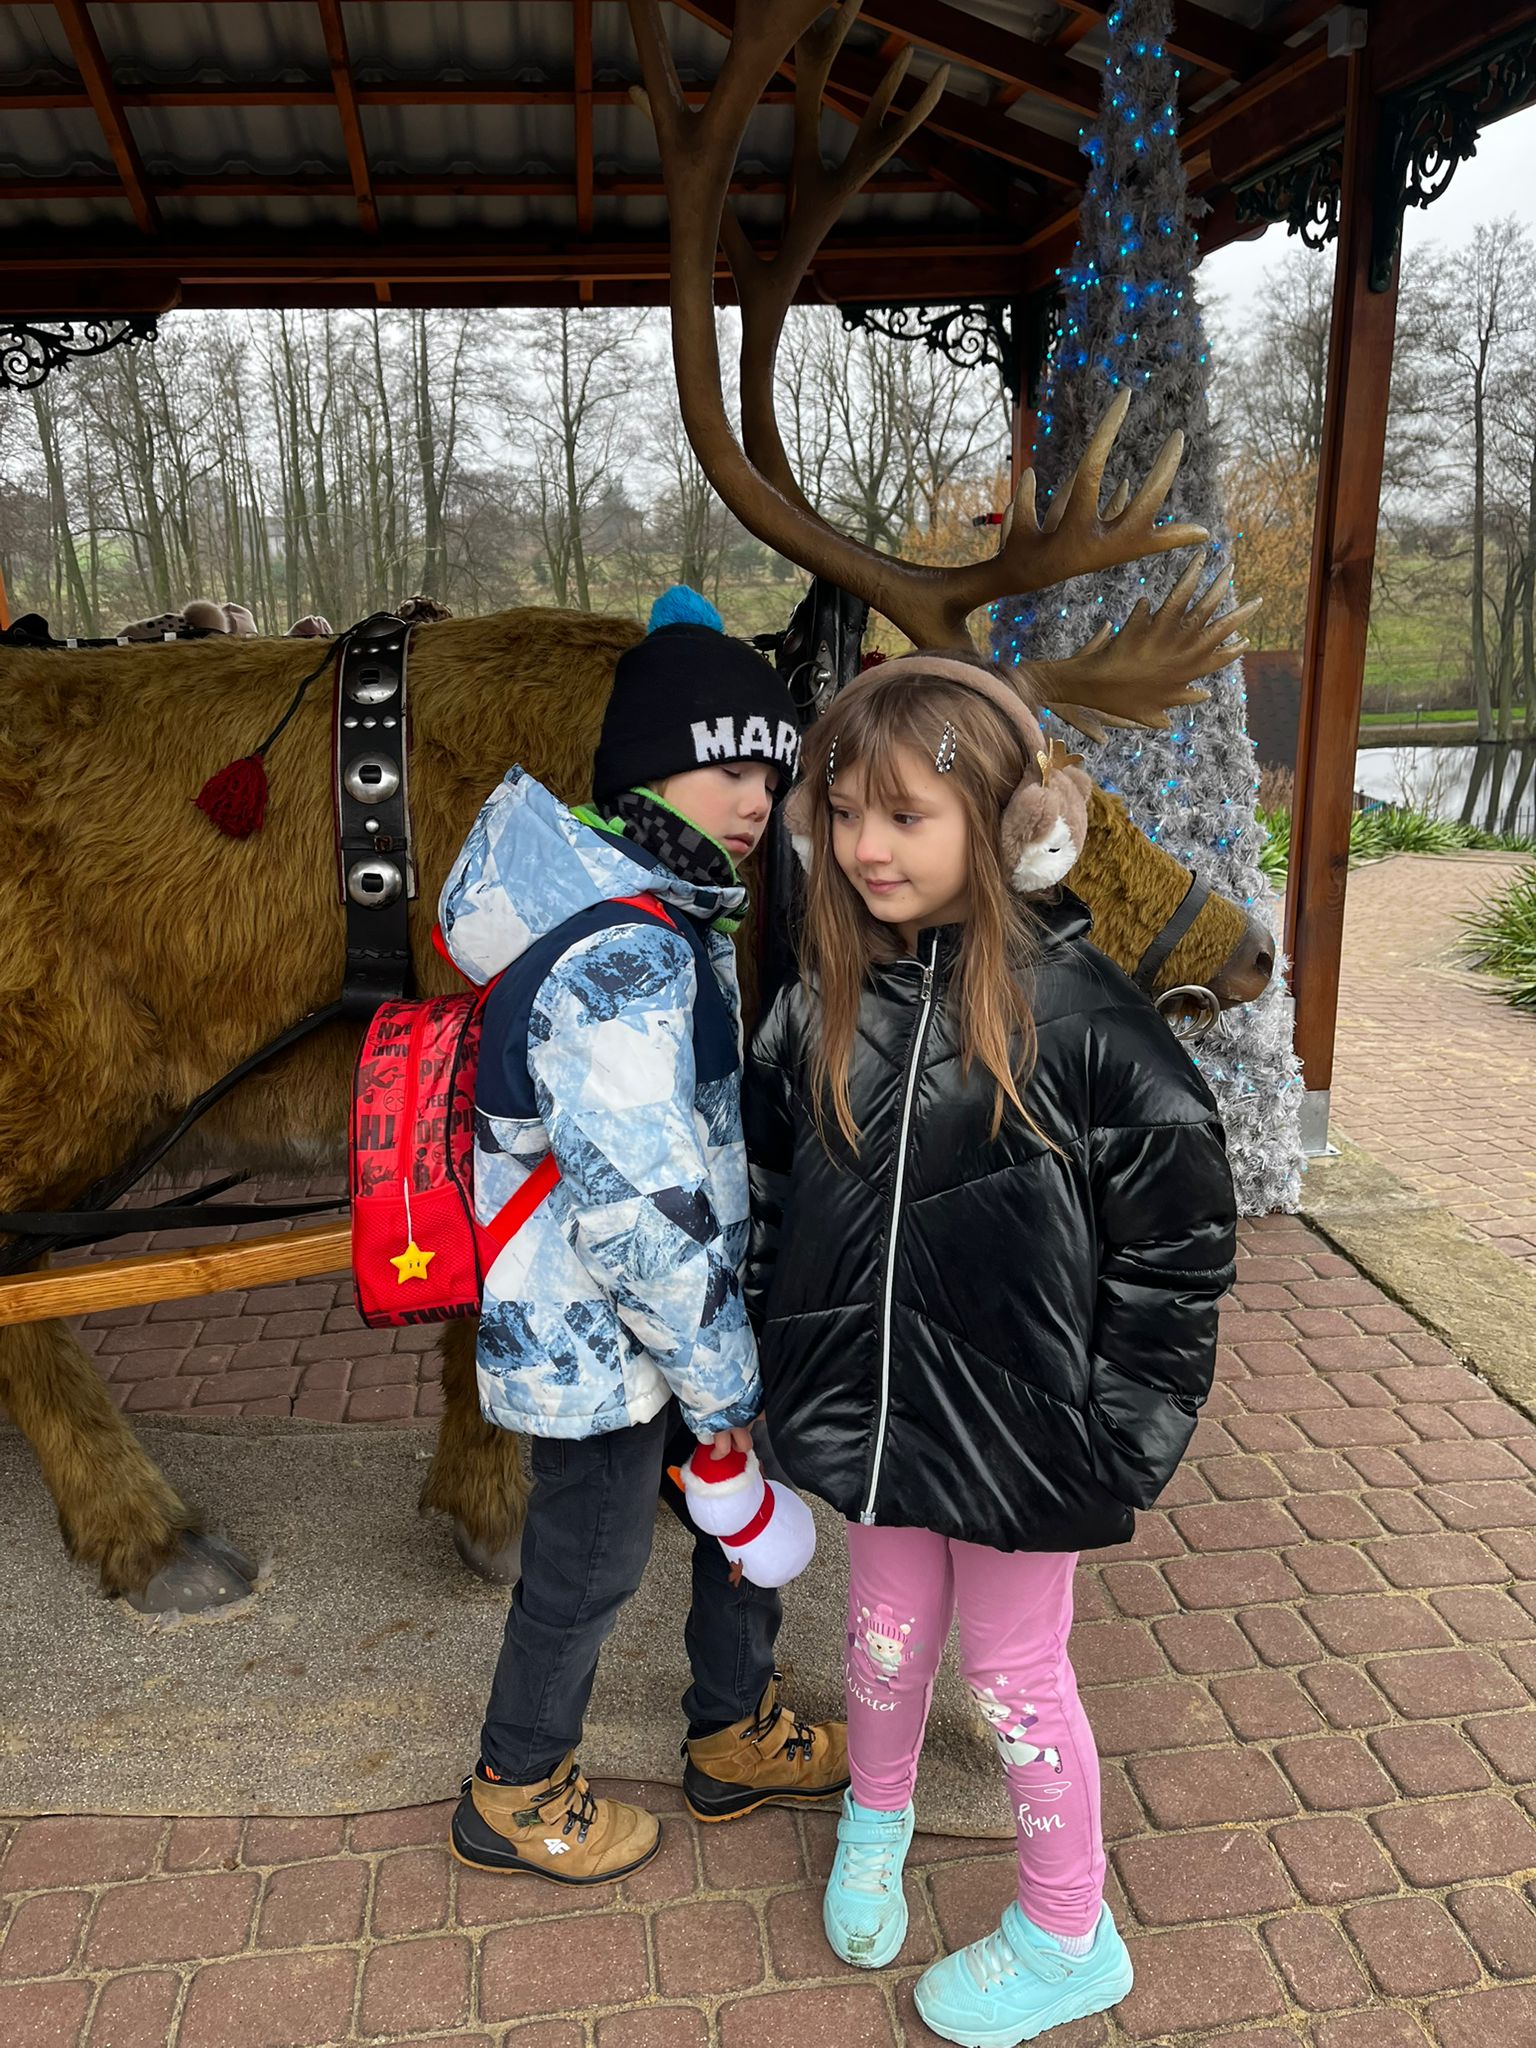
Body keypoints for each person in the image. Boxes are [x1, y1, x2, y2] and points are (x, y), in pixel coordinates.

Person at [744, 653, 1236, 2044]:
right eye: (844, 813)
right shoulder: (822, 1002)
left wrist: (1123, 1436)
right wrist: (774, 1361)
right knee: (883, 1639)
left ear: (1016, 827)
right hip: (877, 1420)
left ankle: (1071, 1930)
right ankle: (876, 1815)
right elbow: (771, 1192)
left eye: (905, 815)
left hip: (1029, 1436)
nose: (866, 847)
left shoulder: (1092, 1027)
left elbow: (1177, 1248)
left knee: (1015, 1681)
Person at [440, 588, 848, 1887]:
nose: (757, 800)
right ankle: (515, 1787)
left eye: (771, 776)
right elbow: (637, 1210)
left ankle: (733, 1731)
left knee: (736, 1519)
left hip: (673, 1328)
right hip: (606, 1341)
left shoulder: (673, 918)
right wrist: (722, 1380)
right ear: (648, 769)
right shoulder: (618, 956)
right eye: (730, 768)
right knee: (590, 1562)